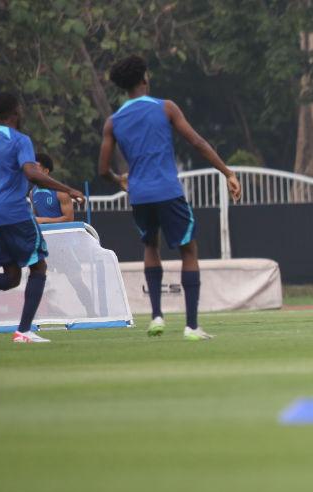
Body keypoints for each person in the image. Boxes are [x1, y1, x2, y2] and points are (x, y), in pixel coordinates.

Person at [98, 54, 242, 340]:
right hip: (168, 191)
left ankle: (156, 317)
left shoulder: (113, 122)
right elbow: (197, 142)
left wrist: (119, 180)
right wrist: (227, 172)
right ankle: (191, 326)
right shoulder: (165, 108)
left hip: (139, 196)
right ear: (145, 79)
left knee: (151, 247)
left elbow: (103, 170)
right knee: (188, 250)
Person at [0, 93, 85, 342]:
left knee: (11, 277)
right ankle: (23, 331)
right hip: (16, 212)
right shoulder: (20, 140)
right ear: (15, 111)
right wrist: (69, 189)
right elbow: (31, 173)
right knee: (39, 266)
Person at [32, 153, 75, 224]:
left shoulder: (61, 192)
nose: (33, 171)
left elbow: (69, 219)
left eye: (36, 168)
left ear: (46, 171)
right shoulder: (32, 193)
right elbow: (36, 218)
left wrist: (43, 220)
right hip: (44, 234)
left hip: (61, 234)